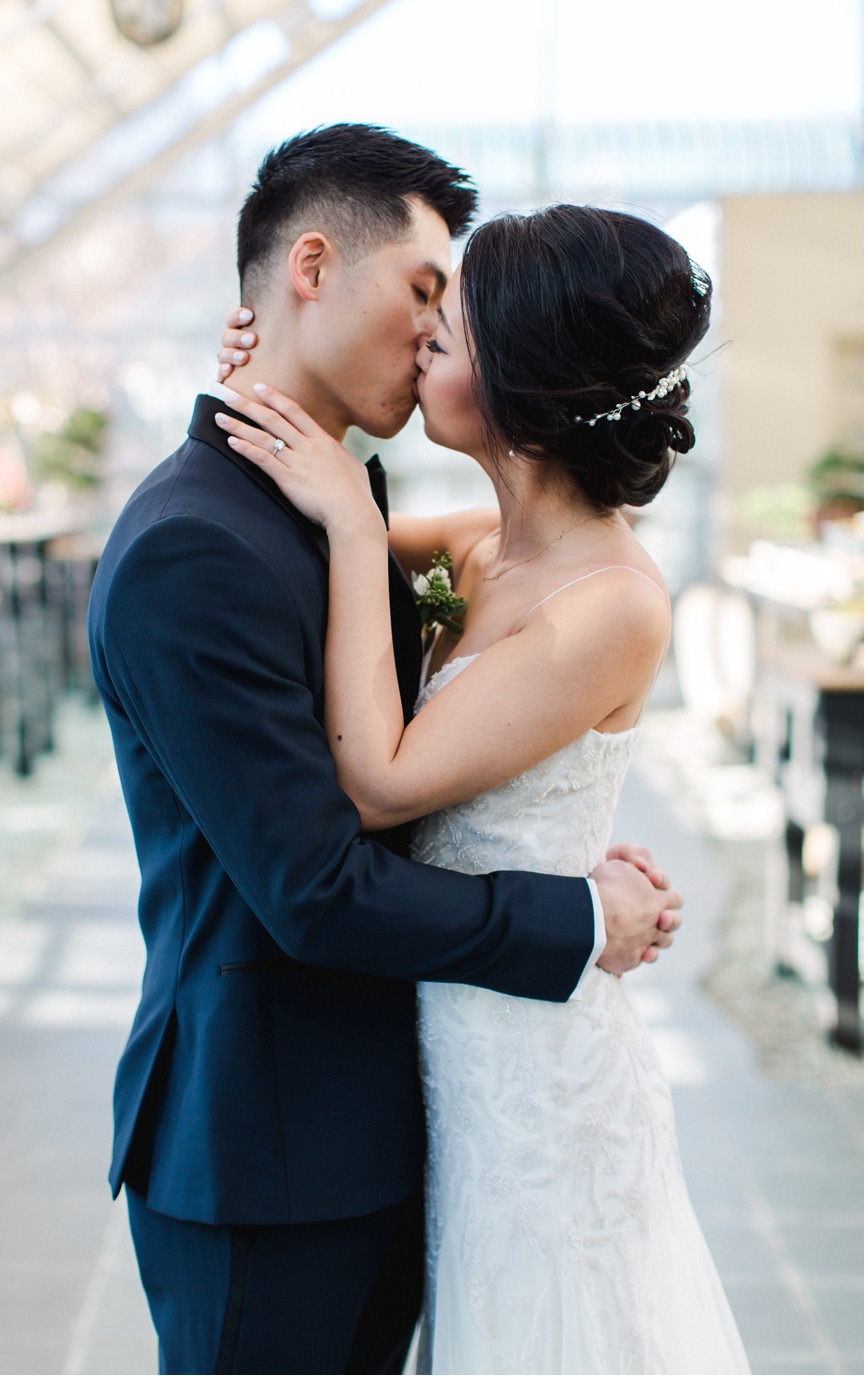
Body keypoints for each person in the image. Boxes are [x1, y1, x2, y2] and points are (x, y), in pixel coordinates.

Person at [88, 126, 681, 1376]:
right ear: (311, 266)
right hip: (268, 1149)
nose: (427, 341)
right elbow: (312, 881)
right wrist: (572, 912)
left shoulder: (330, 511)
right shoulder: (202, 543)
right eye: (422, 294)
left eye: (448, 318)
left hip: (409, 1122)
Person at [213, 201, 750, 1374]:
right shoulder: (487, 546)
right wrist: (273, 392)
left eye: (443, 332)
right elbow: (286, 518)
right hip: (455, 1040)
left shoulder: (612, 599)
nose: (417, 344)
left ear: (526, 383)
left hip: (537, 1080)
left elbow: (376, 778)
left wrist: (358, 536)